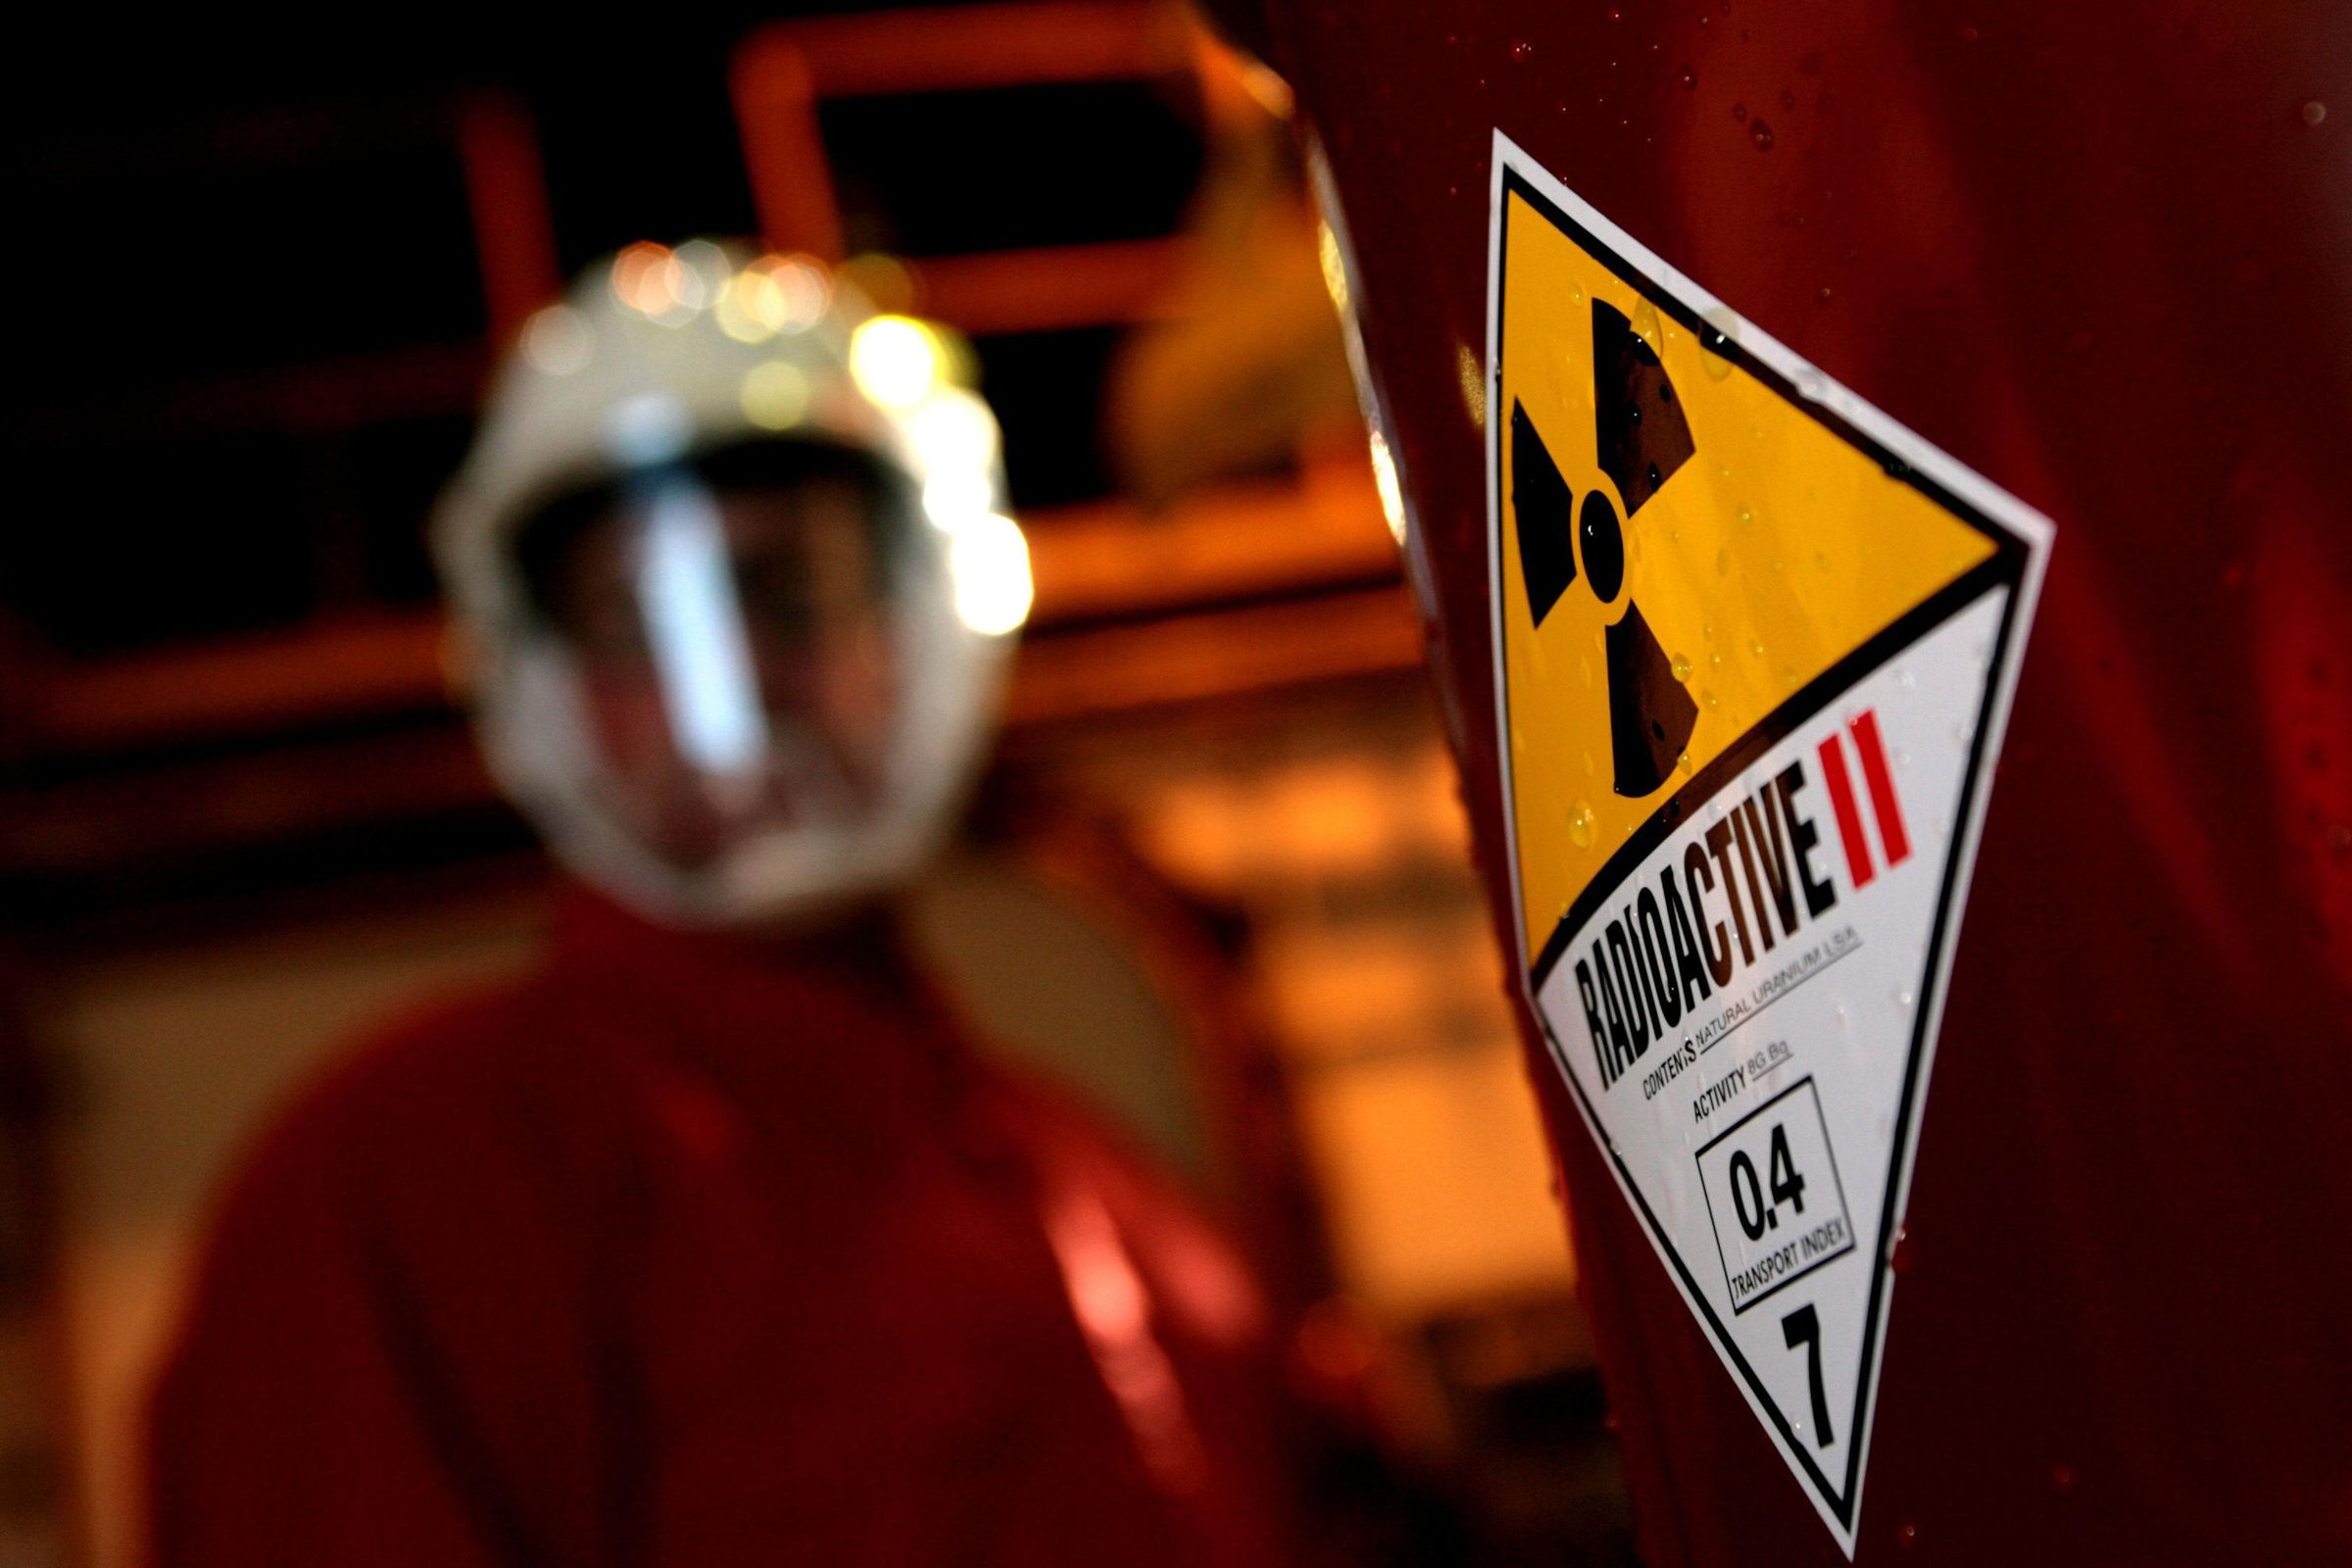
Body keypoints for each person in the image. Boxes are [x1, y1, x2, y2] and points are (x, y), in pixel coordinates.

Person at [143, 242, 1298, 1567]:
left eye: (792, 594)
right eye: (641, 620)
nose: (734, 677)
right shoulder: (404, 1184)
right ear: (541, 680)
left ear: (917, 620)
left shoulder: (1102, 1182)